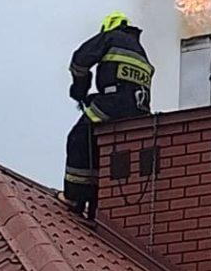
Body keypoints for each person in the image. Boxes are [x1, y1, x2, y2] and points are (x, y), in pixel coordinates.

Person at [59, 11, 154, 217]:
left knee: (78, 138)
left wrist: (79, 91)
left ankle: (74, 197)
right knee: (105, 151)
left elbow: (80, 61)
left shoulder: (111, 37)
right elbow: (129, 86)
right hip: (139, 113)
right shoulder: (141, 52)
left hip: (113, 104)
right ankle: (96, 204)